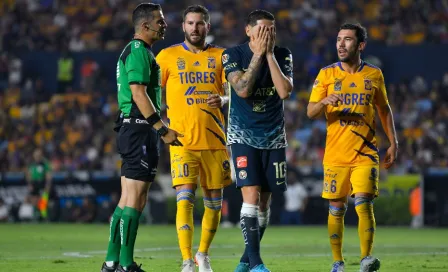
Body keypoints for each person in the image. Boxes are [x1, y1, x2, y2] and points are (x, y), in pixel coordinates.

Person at [307, 23, 398, 272]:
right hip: (335, 154)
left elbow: (384, 109)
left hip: (366, 152)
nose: (340, 44)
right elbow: (311, 112)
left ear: (360, 45)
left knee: (363, 203)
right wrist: (325, 101)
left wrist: (393, 141)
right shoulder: (326, 74)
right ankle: (337, 262)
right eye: (338, 39)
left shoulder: (374, 75)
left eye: (347, 40)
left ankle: (366, 259)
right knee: (336, 208)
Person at [100, 3, 182, 272]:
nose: (164, 24)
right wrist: (162, 128)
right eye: (159, 21)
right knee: (135, 198)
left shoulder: (140, 51)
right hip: (138, 129)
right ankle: (125, 263)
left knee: (128, 198)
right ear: (144, 26)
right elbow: (138, 93)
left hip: (134, 128)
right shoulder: (138, 51)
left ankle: (112, 261)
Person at [155, 5, 232, 272]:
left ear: (207, 27)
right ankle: (187, 259)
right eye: (190, 23)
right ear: (183, 26)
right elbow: (151, 91)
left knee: (214, 203)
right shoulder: (167, 56)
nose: (195, 28)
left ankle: (203, 254)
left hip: (214, 140)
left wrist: (222, 98)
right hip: (182, 141)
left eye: (200, 23)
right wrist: (160, 125)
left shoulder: (222, 56)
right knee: (185, 198)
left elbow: (236, 93)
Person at [222, 9, 293, 272]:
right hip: (242, 135)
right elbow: (242, 89)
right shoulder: (232, 54)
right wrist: (257, 56)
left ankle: (244, 260)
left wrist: (270, 55)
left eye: (271, 29)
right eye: (262, 29)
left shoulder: (283, 54)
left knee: (265, 202)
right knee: (250, 195)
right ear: (248, 30)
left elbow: (284, 91)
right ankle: (256, 264)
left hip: (274, 136)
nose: (267, 34)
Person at [26, 148, 52, 220]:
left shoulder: (45, 164)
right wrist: (29, 184)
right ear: (34, 156)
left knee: (43, 200)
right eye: (36, 155)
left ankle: (44, 216)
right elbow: (28, 175)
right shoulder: (31, 164)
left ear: (41, 155)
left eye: (38, 155)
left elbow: (48, 175)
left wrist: (47, 185)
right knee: (34, 200)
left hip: (42, 183)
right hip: (34, 183)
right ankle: (35, 215)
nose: (37, 156)